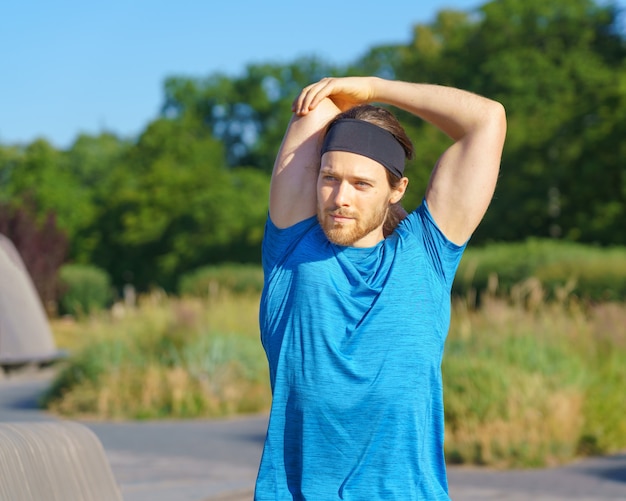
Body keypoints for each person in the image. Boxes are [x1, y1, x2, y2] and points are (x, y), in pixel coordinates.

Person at [255, 76, 506, 500]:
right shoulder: (292, 250)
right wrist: (351, 108)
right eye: (329, 177)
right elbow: (317, 106)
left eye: (362, 183)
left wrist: (374, 88)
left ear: (396, 189)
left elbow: (487, 119)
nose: (339, 198)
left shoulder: (426, 253)